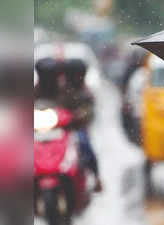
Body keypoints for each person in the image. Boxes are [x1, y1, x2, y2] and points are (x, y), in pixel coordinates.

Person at [60, 58, 103, 192]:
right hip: (58, 128)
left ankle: (96, 177)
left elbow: (89, 111)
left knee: (85, 146)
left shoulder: (85, 92)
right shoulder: (59, 89)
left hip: (77, 129)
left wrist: (79, 115)